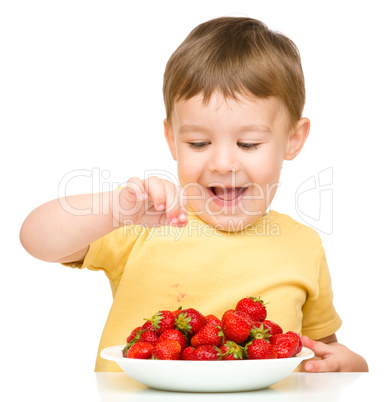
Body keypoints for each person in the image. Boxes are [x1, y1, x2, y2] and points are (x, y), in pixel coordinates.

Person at [20, 16, 368, 372]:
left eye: (248, 143)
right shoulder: (146, 218)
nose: (222, 162)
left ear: (293, 140)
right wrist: (115, 209)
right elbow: (34, 238)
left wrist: (346, 367)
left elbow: (314, 350)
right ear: (172, 140)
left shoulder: (303, 245)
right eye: (198, 143)